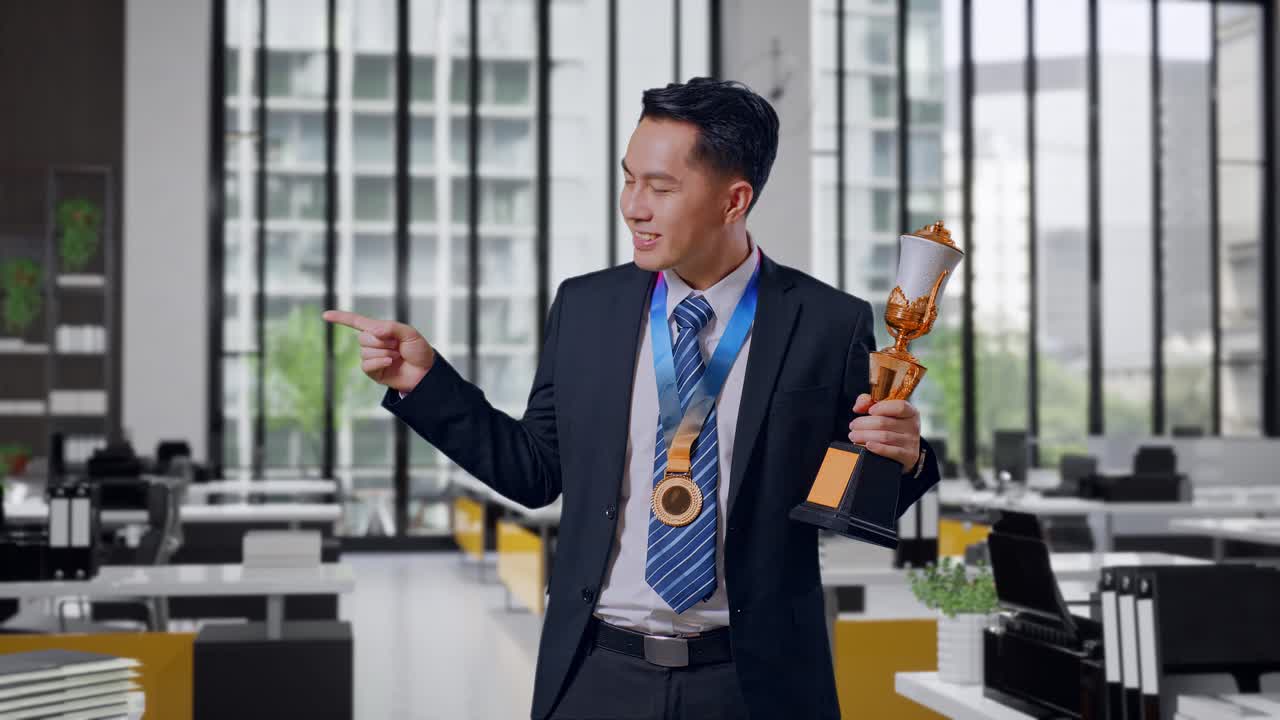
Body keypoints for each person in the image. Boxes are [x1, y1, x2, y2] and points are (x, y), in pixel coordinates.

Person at [324, 77, 940, 720]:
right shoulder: (587, 307)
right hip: (596, 674)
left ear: (735, 200)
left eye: (661, 187)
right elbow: (536, 472)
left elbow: (842, 499)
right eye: (629, 180)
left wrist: (902, 459)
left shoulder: (826, 322)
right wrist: (426, 385)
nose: (634, 207)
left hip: (756, 684)